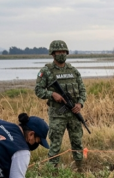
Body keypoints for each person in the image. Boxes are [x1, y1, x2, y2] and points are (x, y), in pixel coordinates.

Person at [34, 40, 87, 169]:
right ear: (53, 54)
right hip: (57, 115)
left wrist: (80, 104)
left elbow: (82, 90)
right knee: (55, 145)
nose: (62, 54)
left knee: (77, 143)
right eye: (59, 52)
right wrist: (52, 94)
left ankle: (80, 169)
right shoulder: (46, 71)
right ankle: (52, 172)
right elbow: (38, 90)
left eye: (64, 51)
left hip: (74, 113)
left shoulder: (73, 70)